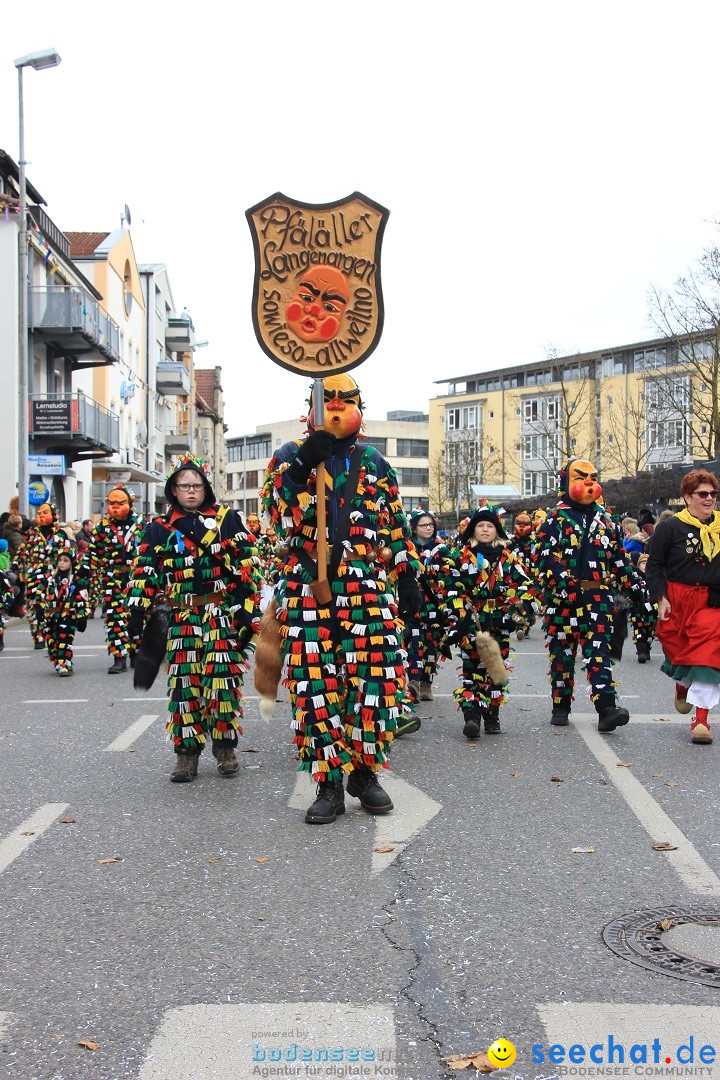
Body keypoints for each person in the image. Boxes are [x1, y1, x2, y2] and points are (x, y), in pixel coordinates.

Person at [258, 372, 421, 824]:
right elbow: (276, 516)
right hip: (308, 585)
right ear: (310, 407)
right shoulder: (288, 456)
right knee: (316, 686)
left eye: (345, 401)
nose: (335, 408)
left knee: (374, 681)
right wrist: (299, 470)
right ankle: (328, 781)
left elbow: (395, 524)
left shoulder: (373, 460)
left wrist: (406, 573)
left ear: (360, 408)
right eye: (326, 400)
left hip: (366, 588)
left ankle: (364, 772)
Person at [126, 455, 261, 782]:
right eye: (184, 486)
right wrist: (137, 609)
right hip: (181, 616)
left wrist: (246, 611)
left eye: (196, 486)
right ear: (173, 489)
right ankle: (186, 756)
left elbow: (248, 567)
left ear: (205, 488)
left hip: (219, 615)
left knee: (223, 685)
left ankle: (225, 749)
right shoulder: (159, 528)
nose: (190, 491)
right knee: (185, 686)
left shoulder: (228, 520)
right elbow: (145, 569)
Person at [533, 458, 651, 732]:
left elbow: (619, 560)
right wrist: (564, 583)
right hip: (563, 600)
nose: (589, 482)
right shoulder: (554, 518)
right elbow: (545, 556)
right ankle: (560, 706)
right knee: (562, 654)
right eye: (581, 477)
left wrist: (641, 589)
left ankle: (606, 709)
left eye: (593, 477)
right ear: (566, 483)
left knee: (598, 653)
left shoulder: (606, 520)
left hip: (597, 598)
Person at [430, 504, 532, 739]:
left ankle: (492, 715)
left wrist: (516, 609)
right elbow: (451, 589)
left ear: (497, 530)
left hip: (499, 620)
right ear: (472, 531)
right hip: (472, 621)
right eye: (480, 526)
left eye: (490, 526)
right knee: (472, 670)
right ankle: (472, 716)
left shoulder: (509, 559)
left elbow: (524, 586)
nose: (485, 530)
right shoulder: (459, 557)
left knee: (496, 669)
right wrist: (460, 617)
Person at [645, 469, 720, 744]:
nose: (709, 498)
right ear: (688, 497)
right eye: (703, 494)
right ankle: (682, 683)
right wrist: (660, 597)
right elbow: (654, 566)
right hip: (677, 599)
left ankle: (701, 719)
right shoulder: (670, 527)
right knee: (677, 649)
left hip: (711, 602)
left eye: (713, 493)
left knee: (708, 656)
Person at [86, 485, 145, 674]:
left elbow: (151, 551)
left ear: (130, 503)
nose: (115, 507)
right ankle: (119, 658)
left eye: (120, 503)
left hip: (136, 578)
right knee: (115, 617)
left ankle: (137, 653)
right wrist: (81, 577)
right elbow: (92, 554)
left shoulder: (141, 525)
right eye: (111, 503)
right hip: (112, 577)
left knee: (137, 617)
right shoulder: (102, 527)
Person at [403, 510, 447, 711]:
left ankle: (426, 681)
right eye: (424, 525)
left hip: (434, 603)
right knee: (413, 640)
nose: (428, 528)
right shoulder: (406, 548)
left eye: (430, 524)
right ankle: (413, 681)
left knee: (431, 642)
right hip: (412, 601)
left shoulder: (442, 550)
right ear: (414, 527)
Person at [15, 503, 66, 649]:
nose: (41, 516)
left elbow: (68, 553)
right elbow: (22, 551)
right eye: (39, 513)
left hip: (53, 572)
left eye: (45, 513)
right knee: (34, 606)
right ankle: (38, 637)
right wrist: (15, 566)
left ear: (53, 515)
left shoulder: (60, 534)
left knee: (50, 605)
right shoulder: (32, 533)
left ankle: (51, 632)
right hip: (35, 573)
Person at [40, 546, 88, 676]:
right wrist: (39, 609)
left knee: (64, 640)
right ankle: (58, 662)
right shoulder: (50, 579)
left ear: (71, 563)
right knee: (51, 641)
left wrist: (82, 617)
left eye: (65, 560)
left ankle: (64, 665)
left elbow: (82, 598)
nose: (62, 562)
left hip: (68, 614)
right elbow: (41, 594)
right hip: (51, 614)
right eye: (60, 560)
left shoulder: (77, 580)